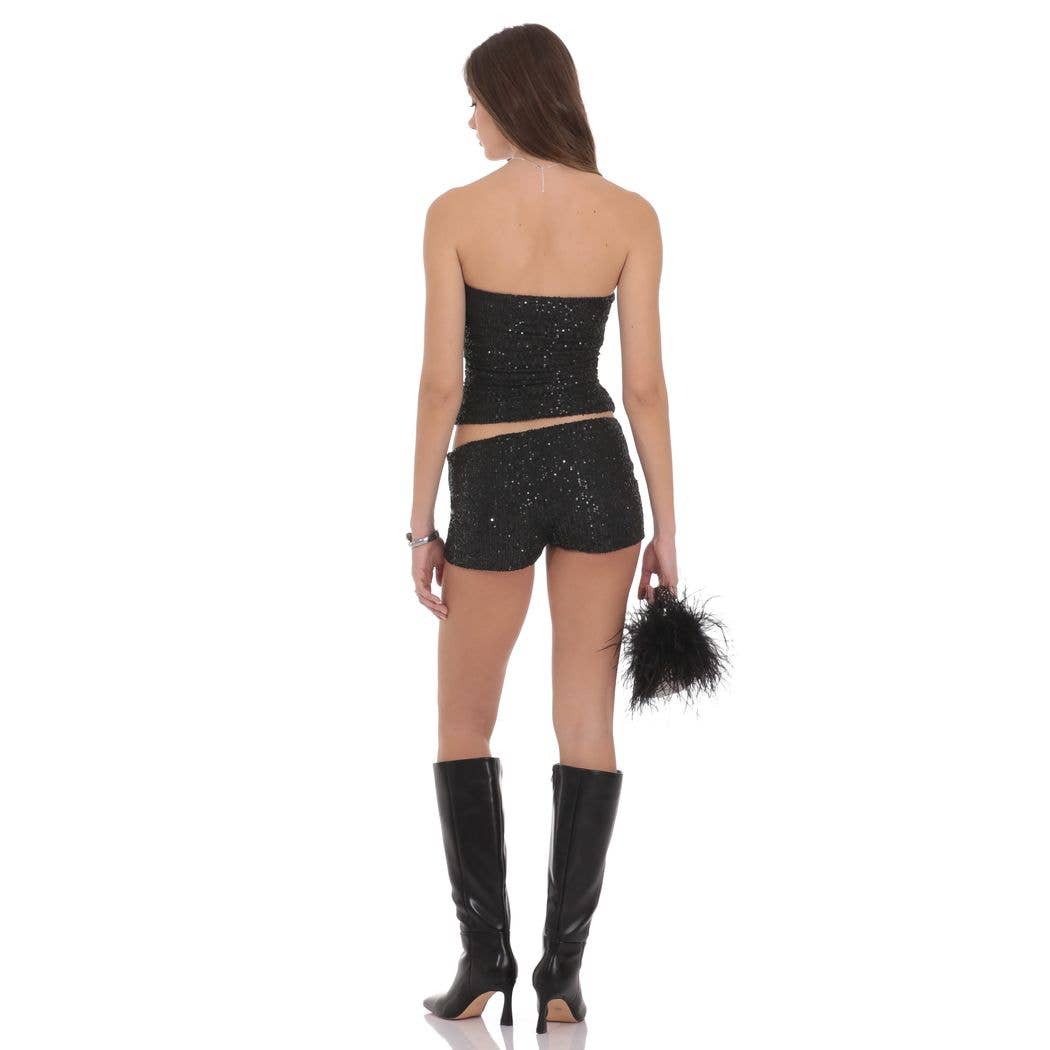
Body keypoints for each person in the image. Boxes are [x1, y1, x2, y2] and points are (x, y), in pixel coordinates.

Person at [408, 24, 677, 1035]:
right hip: (599, 474)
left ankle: (484, 960)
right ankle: (563, 976)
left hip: (491, 476)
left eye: (477, 99)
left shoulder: (455, 214)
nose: (470, 118)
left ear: (513, 100)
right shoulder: (631, 215)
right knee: (587, 724)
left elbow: (441, 386)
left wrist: (419, 525)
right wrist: (668, 526)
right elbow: (644, 388)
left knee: (462, 724)